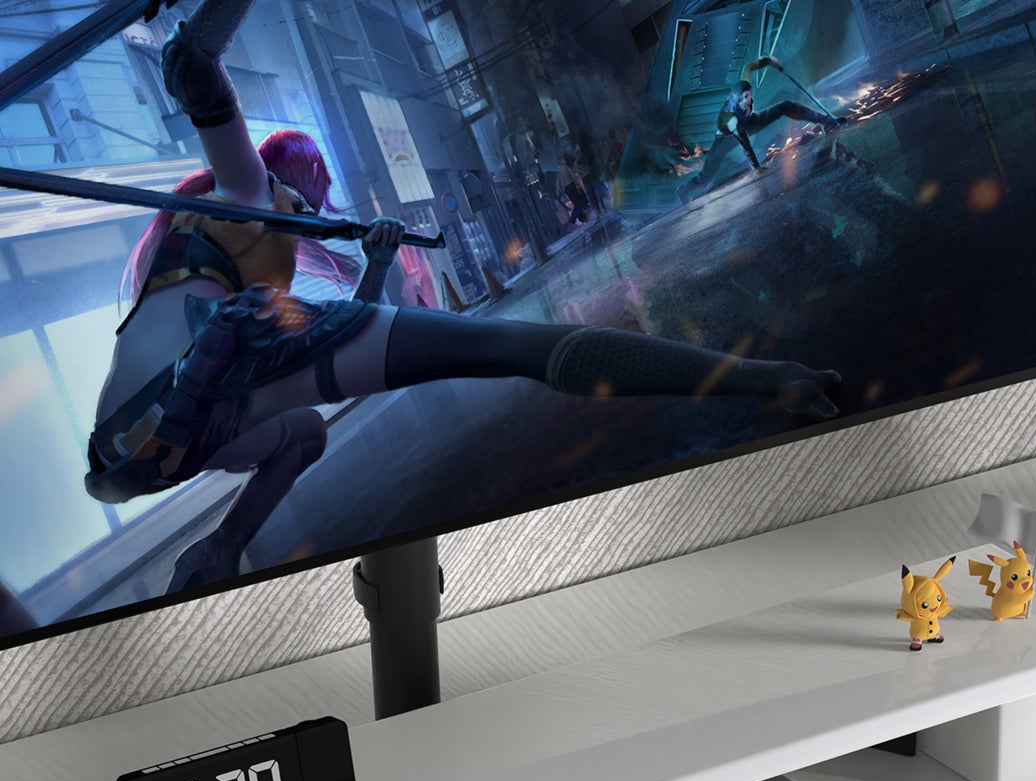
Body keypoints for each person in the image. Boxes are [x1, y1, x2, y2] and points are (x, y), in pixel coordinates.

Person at [90, 0, 839, 593]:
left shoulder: (208, 249)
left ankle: (223, 544)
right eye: (308, 192)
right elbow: (196, 63)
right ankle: (764, 379)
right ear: (289, 178)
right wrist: (206, 35)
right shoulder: (250, 192)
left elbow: (337, 348)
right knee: (505, 347)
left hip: (142, 452)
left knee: (306, 435)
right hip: (209, 371)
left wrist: (378, 265)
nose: (313, 207)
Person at [677, 78, 840, 204]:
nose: (749, 99)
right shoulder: (730, 119)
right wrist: (756, 167)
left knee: (785, 106)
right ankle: (683, 191)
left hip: (749, 123)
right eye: (746, 97)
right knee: (705, 178)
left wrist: (766, 61)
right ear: (737, 99)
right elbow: (744, 143)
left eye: (750, 95)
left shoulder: (744, 101)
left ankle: (826, 120)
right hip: (725, 141)